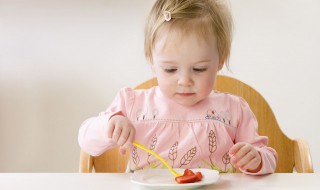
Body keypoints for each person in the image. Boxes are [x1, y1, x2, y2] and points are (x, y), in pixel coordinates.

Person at [78, 0, 277, 175]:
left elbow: (269, 158)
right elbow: (86, 140)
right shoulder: (132, 104)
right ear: (151, 60)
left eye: (199, 69)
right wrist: (109, 125)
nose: (184, 81)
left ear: (220, 60)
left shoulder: (233, 110)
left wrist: (257, 160)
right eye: (170, 69)